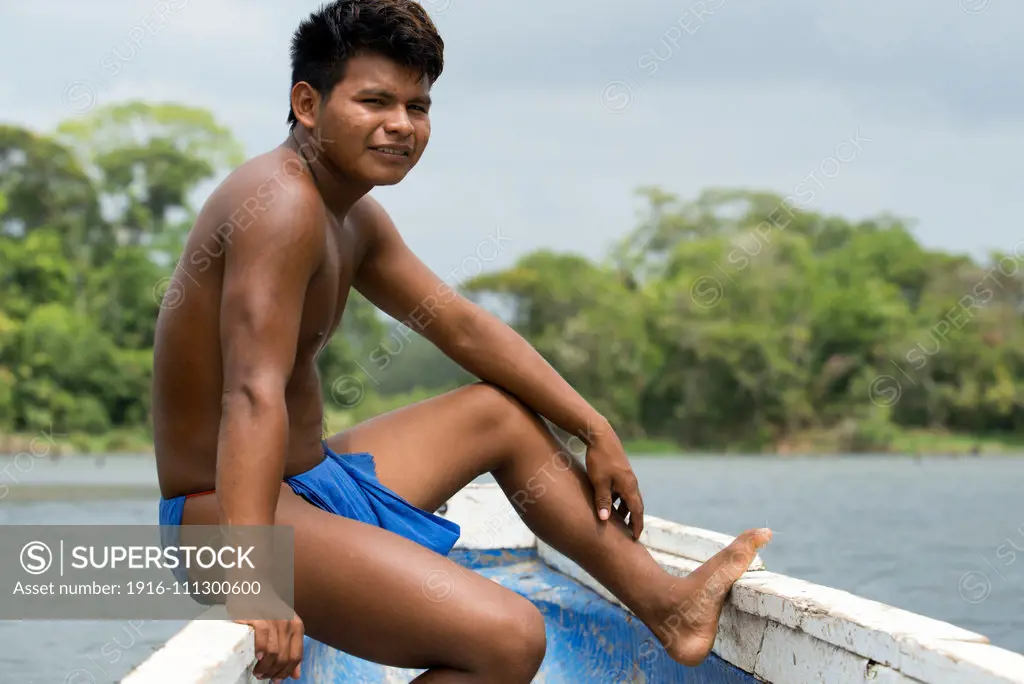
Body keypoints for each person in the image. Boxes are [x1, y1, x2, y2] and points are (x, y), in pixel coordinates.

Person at [151, 1, 772, 681]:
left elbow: (461, 325)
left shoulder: (352, 216)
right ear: (307, 103)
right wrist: (251, 575)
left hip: (310, 481)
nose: (400, 125)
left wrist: (593, 426)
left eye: (417, 107)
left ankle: (669, 608)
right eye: (375, 101)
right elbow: (250, 392)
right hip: (223, 514)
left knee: (497, 414)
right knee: (510, 640)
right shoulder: (279, 205)